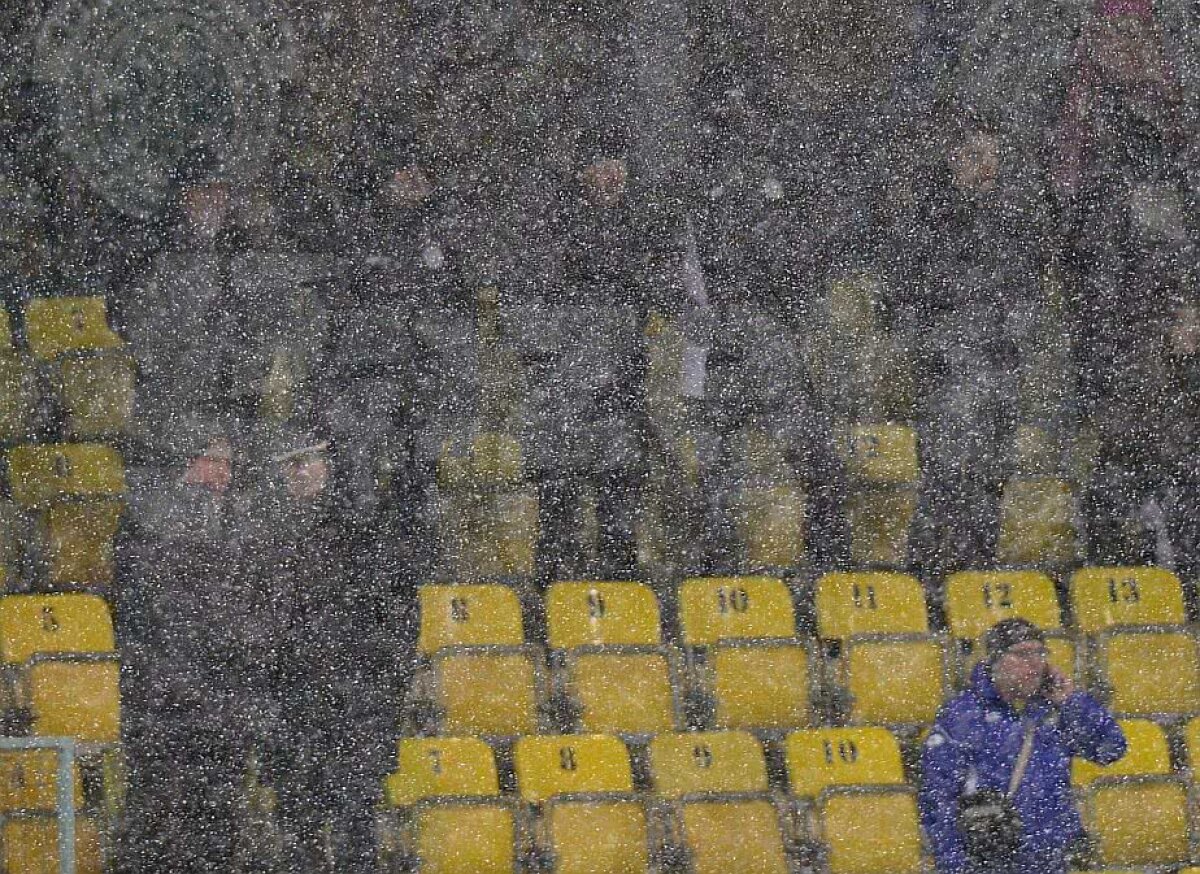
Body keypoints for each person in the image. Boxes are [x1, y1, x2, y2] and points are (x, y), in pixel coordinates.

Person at [919, 619, 1127, 874]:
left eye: (1040, 653)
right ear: (995, 660)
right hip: (991, 864)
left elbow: (1111, 748)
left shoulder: (1055, 710)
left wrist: (1072, 701)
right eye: (1022, 654)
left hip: (1051, 860)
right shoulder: (963, 716)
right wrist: (956, 866)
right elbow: (938, 800)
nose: (1035, 662)